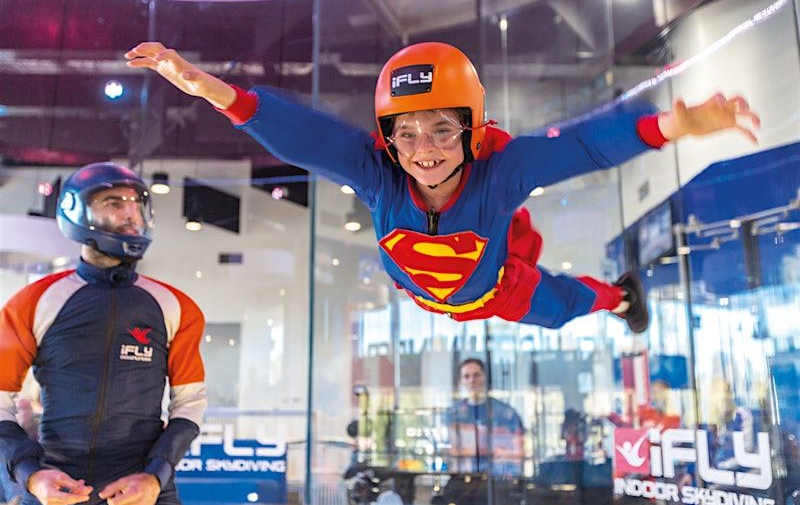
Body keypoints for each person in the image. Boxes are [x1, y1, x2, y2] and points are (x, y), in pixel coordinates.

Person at [126, 41, 760, 334]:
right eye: (406, 134)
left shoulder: (499, 174)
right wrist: (206, 85)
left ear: (472, 132)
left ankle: (621, 300)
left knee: (564, 309)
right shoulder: (377, 171)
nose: (422, 150)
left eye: (440, 131)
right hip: (419, 291)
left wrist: (674, 124)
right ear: (387, 138)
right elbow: (302, 135)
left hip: (494, 290)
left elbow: (583, 147)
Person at [0, 163, 207, 505]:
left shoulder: (175, 306)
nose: (130, 213)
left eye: (135, 204)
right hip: (53, 490)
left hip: (142, 493)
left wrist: (157, 476)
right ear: (76, 212)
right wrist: (31, 475)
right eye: (114, 202)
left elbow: (189, 404)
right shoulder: (33, 302)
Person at [446, 358, 524, 477]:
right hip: (464, 479)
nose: (472, 380)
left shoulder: (505, 413)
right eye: (466, 376)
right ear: (461, 381)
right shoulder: (454, 414)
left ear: (485, 377)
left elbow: (519, 452)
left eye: (476, 375)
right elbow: (451, 450)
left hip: (498, 480)